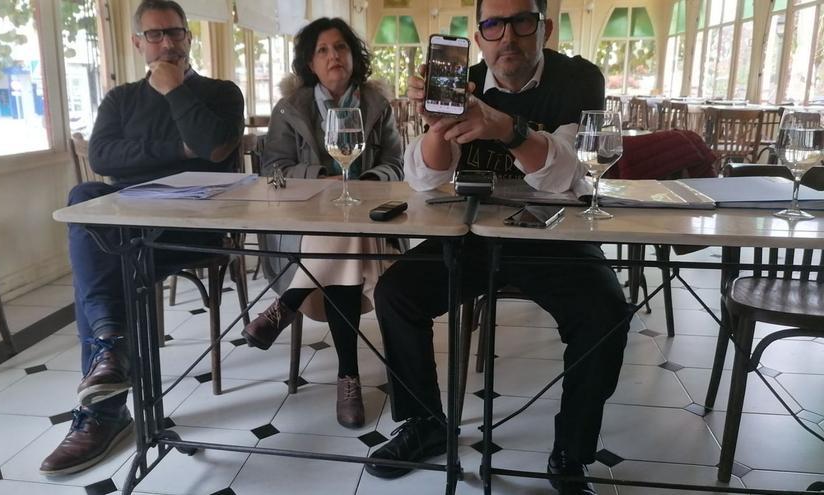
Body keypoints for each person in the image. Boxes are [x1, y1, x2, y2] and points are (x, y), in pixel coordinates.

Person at [365, 1, 630, 494]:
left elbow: (565, 176)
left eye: (522, 21)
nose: (508, 36)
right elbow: (425, 180)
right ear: (479, 35)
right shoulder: (460, 83)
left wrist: (504, 127)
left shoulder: (579, 80)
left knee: (606, 312)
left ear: (545, 29)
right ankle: (425, 424)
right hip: (473, 231)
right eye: (493, 24)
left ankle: (571, 452)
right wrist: (438, 127)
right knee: (396, 291)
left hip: (554, 232)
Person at [40, 0, 244, 475]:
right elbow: (105, 158)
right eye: (154, 35)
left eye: (174, 33)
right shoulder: (120, 100)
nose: (166, 43)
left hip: (194, 230)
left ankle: (102, 410)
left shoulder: (220, 92)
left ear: (189, 37)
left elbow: (214, 149)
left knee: (97, 270)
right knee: (85, 198)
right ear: (137, 43)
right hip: (130, 227)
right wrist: (176, 150)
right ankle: (112, 349)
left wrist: (175, 91)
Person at [242, 17, 403, 429]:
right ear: (310, 63)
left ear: (354, 57)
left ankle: (286, 306)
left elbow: (396, 166)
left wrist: (362, 184)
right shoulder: (290, 109)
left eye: (341, 48)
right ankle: (346, 373)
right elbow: (273, 171)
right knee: (341, 232)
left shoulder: (377, 105)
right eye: (323, 50)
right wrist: (324, 180)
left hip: (368, 222)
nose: (334, 56)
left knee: (347, 226)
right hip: (303, 227)